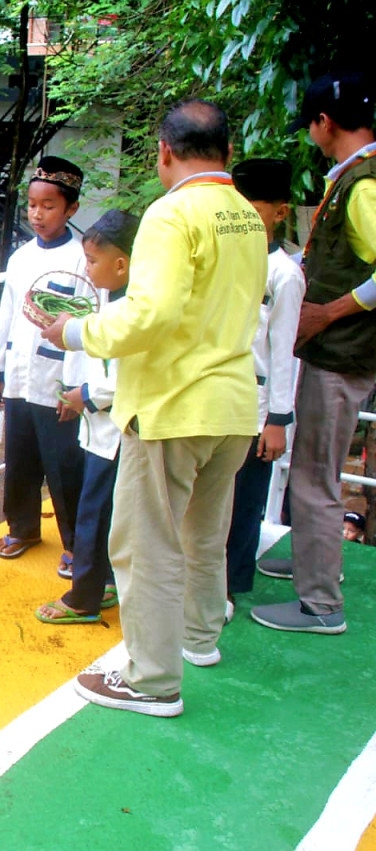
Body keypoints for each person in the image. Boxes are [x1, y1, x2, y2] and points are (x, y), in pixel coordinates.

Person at [42, 100, 267, 717]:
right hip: (232, 402)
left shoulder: (172, 215)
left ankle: (151, 681)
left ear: (166, 151)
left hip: (174, 406)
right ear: (226, 149)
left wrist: (73, 332)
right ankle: (198, 641)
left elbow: (151, 314)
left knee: (147, 545)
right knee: (204, 533)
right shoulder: (247, 215)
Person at [251, 71, 376, 635]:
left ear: (324, 123)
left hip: (341, 353)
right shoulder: (353, 178)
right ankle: (309, 560)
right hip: (335, 351)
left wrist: (329, 311)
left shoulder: (363, 186)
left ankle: (321, 604)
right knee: (310, 466)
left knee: (315, 475)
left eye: (312, 123)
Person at [36, 210, 140, 625]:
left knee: (94, 511)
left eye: (94, 262)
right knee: (102, 508)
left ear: (122, 263)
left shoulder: (131, 308)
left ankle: (83, 598)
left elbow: (124, 375)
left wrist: (86, 396)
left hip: (114, 427)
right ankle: (104, 580)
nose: (87, 269)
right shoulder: (116, 299)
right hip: (102, 424)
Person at [0, 156, 88, 574]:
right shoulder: (20, 257)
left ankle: (78, 544)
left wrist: (76, 386)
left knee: (65, 467)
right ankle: (23, 527)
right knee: (21, 459)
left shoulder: (83, 259)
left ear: (71, 209)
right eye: (32, 204)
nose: (37, 213)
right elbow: (6, 315)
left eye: (48, 205)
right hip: (20, 377)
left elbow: (86, 327)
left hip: (57, 381)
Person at [222, 159, 306, 623]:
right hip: (218, 399)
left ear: (279, 212)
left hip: (256, 410)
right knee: (210, 499)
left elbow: (284, 354)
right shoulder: (224, 261)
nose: (245, 219)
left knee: (245, 501)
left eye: (255, 210)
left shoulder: (284, 274)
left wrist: (278, 421)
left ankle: (230, 587)